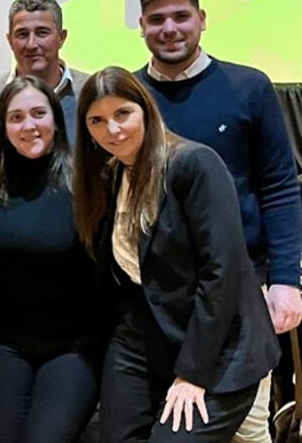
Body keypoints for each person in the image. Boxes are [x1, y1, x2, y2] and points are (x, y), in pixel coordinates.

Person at [135, 0, 302, 443]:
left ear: (202, 19)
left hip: (242, 289)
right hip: (155, 299)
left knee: (246, 429)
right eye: (157, 19)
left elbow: (280, 187)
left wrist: (286, 280)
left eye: (181, 16)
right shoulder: (130, 99)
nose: (170, 28)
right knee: (172, 421)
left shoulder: (250, 87)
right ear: (141, 26)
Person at [74, 66, 280, 442]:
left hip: (217, 346)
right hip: (145, 338)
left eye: (122, 113)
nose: (112, 129)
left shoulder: (194, 163)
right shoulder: (112, 174)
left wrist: (192, 374)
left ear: (146, 110)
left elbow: (222, 273)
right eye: (97, 120)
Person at [0, 76, 101, 443]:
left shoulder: (86, 184)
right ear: (2, 128)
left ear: (56, 121)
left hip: (72, 349)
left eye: (38, 114)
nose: (28, 125)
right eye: (16, 117)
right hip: (3, 345)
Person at [0, 0, 89, 142]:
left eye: (42, 33)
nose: (32, 44)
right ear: (10, 41)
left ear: (61, 37)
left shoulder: (89, 92)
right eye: (22, 34)